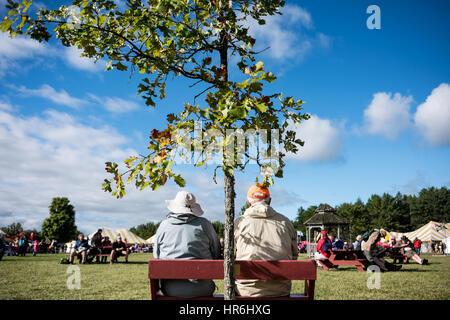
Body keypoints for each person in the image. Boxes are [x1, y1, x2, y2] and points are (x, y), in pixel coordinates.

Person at [234, 184, 298, 297]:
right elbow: (294, 256)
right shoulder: (285, 222)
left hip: (245, 290)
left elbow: (230, 255)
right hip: (280, 289)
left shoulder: (239, 223)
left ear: (248, 202)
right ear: (269, 201)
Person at [154, 190, 221, 298]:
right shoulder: (204, 224)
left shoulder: (164, 226)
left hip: (171, 289)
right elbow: (216, 252)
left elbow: (156, 256)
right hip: (202, 288)